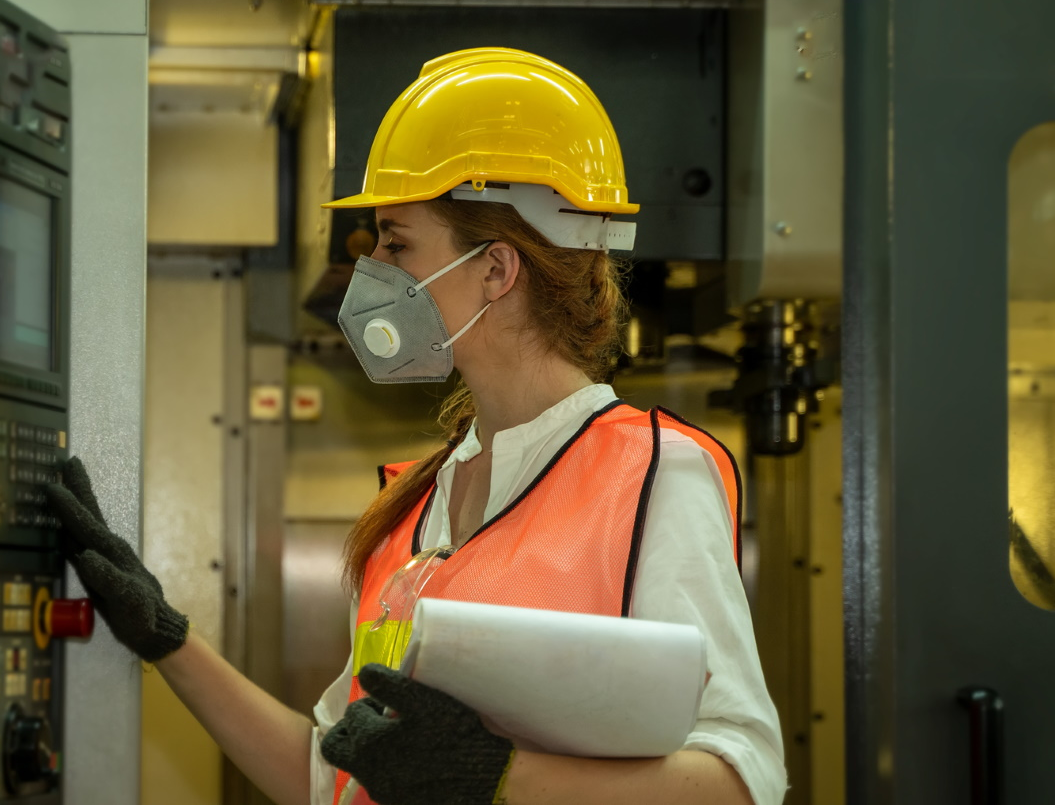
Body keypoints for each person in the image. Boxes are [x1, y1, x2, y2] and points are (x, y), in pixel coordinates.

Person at [45, 48, 786, 805]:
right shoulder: (420, 506)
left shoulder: (652, 473)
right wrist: (167, 638)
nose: (373, 274)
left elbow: (738, 780)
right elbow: (330, 775)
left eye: (397, 244)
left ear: (496, 271)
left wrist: (494, 778)